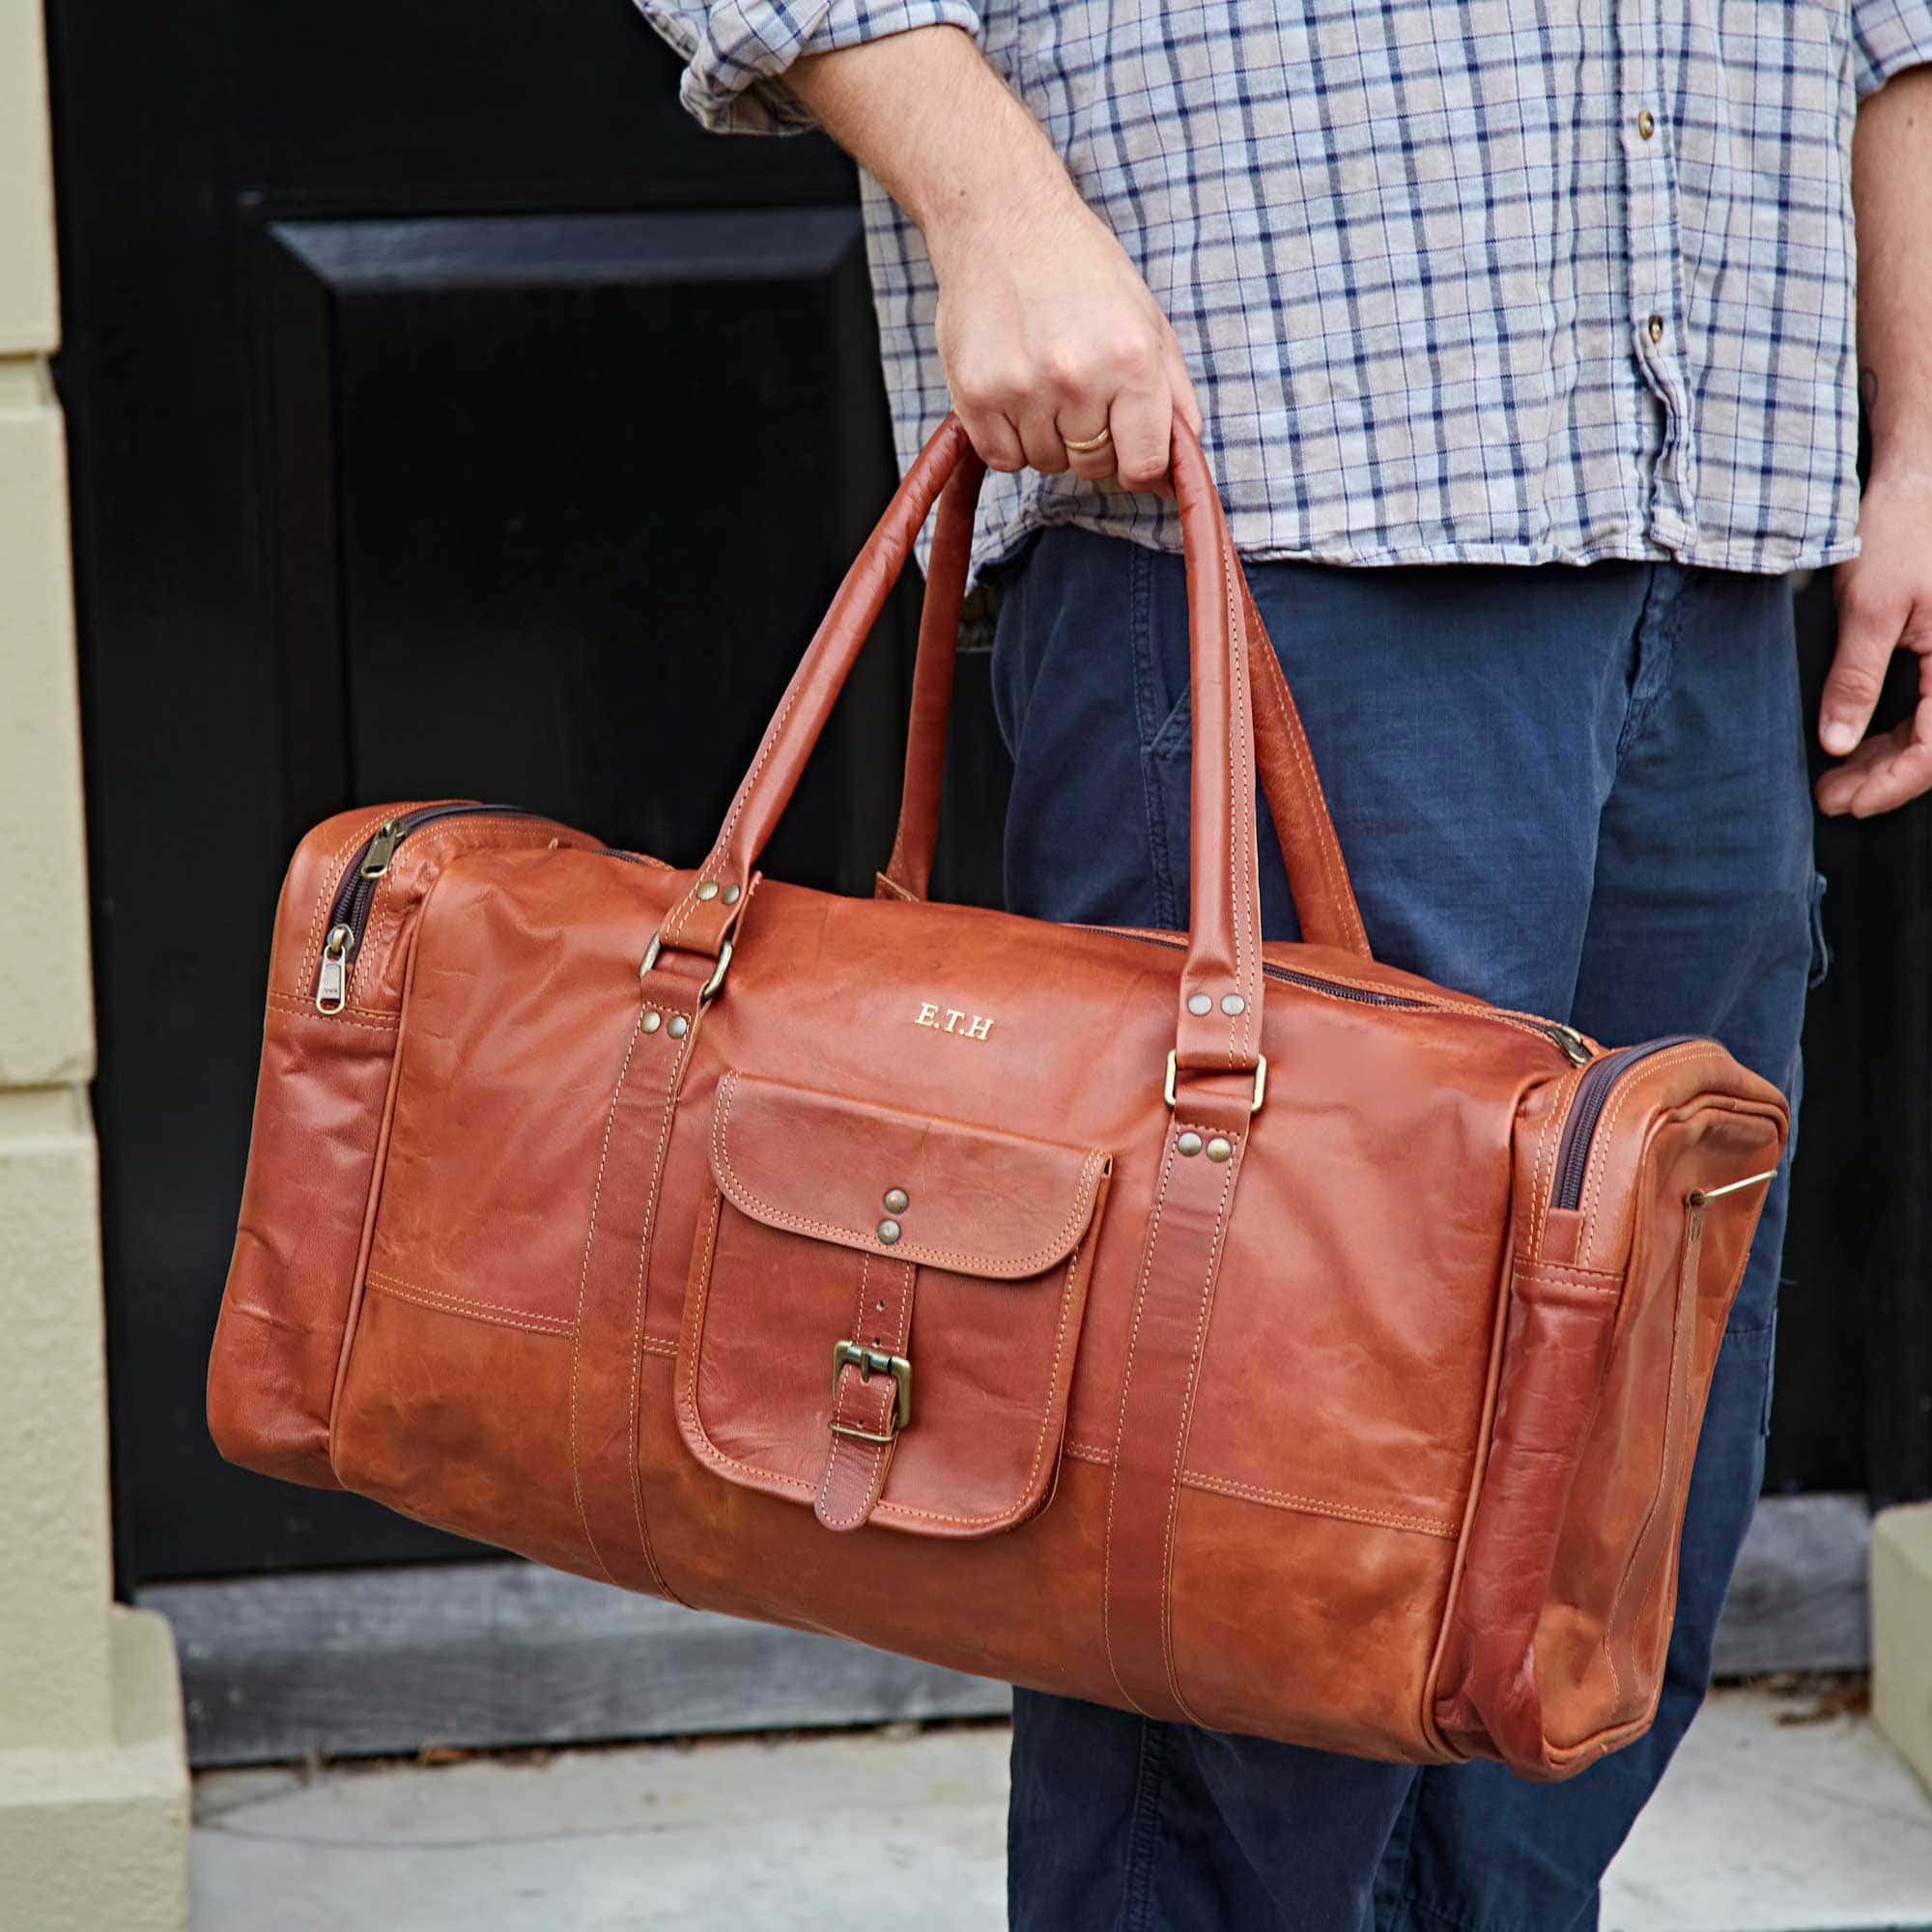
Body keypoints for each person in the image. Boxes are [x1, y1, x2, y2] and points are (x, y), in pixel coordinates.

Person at [633, 4, 1932, 1926]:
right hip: (1274, 522)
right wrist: (990, 209)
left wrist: (1918, 430)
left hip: (1723, 527)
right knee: (1250, 1553)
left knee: (1607, 1507)